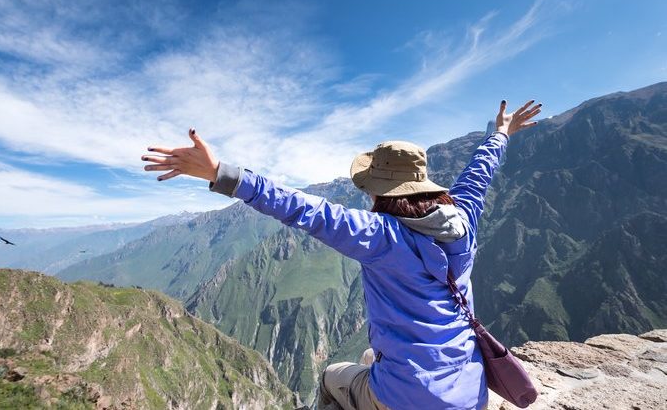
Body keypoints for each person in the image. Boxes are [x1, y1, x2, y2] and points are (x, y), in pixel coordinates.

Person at [142, 99, 542, 410]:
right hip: (471, 395)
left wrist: (219, 173)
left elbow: (302, 208)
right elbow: (478, 174)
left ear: (380, 191)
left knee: (333, 375)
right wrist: (500, 135)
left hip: (410, 400)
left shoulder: (380, 236)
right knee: (370, 357)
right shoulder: (464, 218)